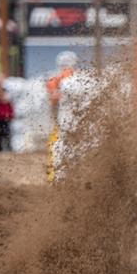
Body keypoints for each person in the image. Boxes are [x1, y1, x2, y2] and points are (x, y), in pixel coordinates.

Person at [46, 51, 77, 182]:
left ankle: (55, 178)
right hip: (80, 121)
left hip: (64, 121)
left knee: (56, 148)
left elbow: (53, 100)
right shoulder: (81, 78)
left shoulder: (55, 80)